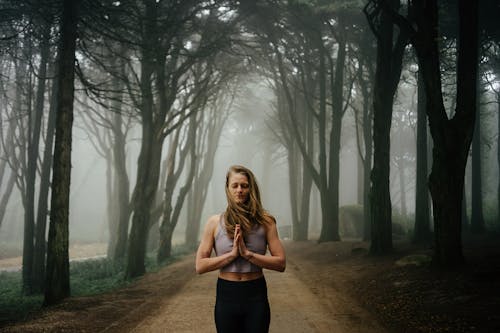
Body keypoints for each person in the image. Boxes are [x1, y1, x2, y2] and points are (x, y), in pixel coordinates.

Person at [195, 165, 286, 333]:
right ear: (227, 189)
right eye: (235, 185)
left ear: (251, 188)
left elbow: (281, 263)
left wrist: (248, 254)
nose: (240, 190)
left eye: (244, 185)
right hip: (226, 295)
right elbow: (200, 266)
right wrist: (232, 255)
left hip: (255, 295)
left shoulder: (266, 222)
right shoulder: (214, 223)